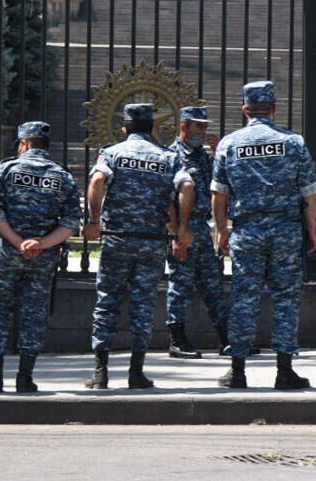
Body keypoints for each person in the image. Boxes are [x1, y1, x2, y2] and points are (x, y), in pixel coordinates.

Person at [212, 80, 316, 390]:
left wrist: (221, 230)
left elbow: (219, 195)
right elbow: (309, 194)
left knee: (244, 298)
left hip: (247, 230)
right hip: (286, 229)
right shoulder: (293, 142)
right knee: (286, 299)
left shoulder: (229, 144)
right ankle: (284, 371)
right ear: (274, 109)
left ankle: (237, 371)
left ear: (245, 110)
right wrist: (313, 229)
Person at [83, 103, 195, 390]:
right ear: (152, 127)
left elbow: (97, 180)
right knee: (143, 306)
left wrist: (93, 220)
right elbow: (187, 186)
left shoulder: (112, 153)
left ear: (125, 128)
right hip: (151, 241)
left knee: (107, 302)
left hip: (117, 238)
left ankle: (100, 373)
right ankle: (136, 373)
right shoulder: (167, 157)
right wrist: (182, 227)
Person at [0, 121, 81, 393]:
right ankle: (25, 377)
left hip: (8, 252)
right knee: (34, 313)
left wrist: (17, 242)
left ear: (24, 144)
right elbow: (71, 222)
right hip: (43, 256)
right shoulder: (62, 176)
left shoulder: (7, 169)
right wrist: (41, 243)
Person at [165, 106, 238, 358]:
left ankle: (227, 339)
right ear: (184, 126)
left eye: (205, 126)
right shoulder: (171, 156)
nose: (203, 131)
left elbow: (220, 184)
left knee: (213, 284)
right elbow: (167, 200)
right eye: (199, 126)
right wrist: (176, 234)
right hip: (183, 228)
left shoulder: (203, 156)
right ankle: (177, 339)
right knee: (180, 284)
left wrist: (218, 154)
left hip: (202, 228)